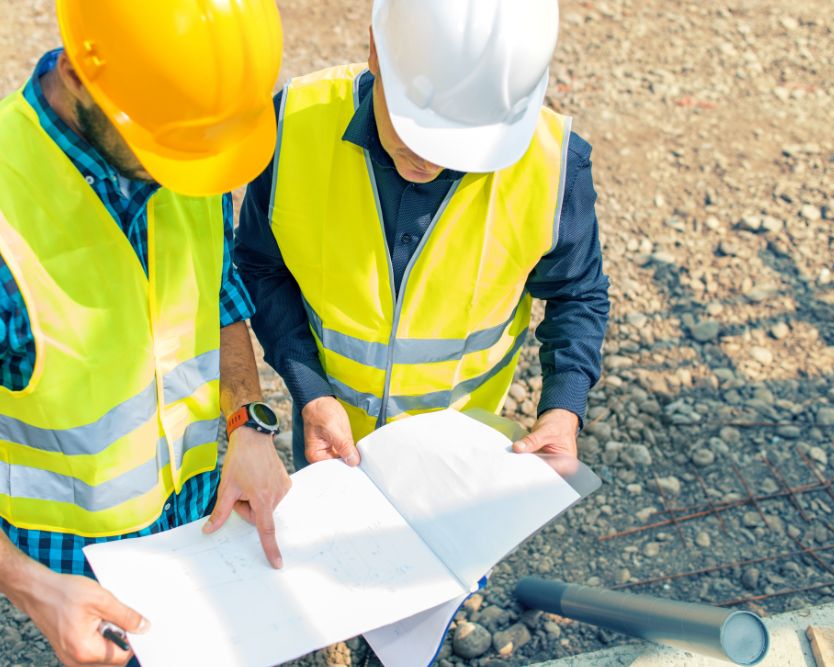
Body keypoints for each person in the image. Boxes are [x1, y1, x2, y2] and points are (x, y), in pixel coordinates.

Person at [0, 1, 291, 665]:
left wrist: (247, 421)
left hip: (194, 522)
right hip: (71, 564)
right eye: (163, 149)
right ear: (78, 72)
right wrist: (33, 587)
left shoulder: (186, 137)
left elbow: (218, 289)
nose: (185, 171)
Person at [235, 0, 610, 470]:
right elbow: (259, 266)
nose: (430, 160)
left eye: (460, 144)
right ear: (375, 49)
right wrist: (309, 389)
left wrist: (563, 407)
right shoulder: (295, 125)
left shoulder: (554, 166)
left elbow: (577, 293)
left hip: (464, 453)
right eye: (418, 131)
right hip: (329, 436)